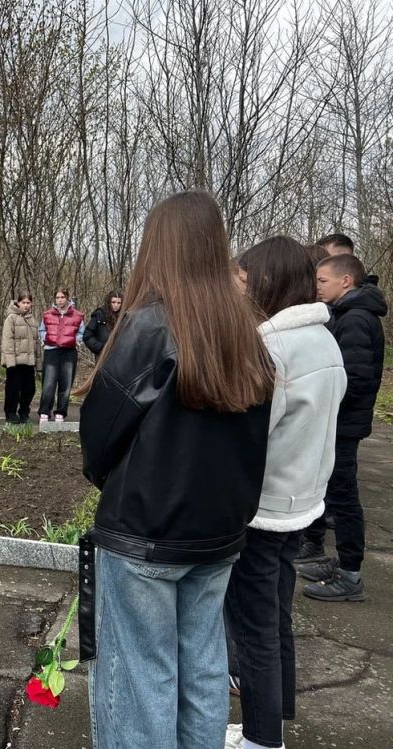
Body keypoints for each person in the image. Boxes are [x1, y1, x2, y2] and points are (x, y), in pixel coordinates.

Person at [78, 191, 275, 748]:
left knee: (140, 675)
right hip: (217, 533)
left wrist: (114, 484)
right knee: (203, 668)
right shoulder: (248, 335)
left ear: (157, 247)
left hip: (144, 532)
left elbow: (100, 434)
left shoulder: (148, 325)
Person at [225, 237, 346, 749]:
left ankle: (260, 737)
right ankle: (277, 715)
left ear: (266, 283)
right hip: (300, 503)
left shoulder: (271, 349)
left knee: (253, 629)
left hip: (263, 510)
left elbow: (247, 438)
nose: (238, 289)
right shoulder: (323, 341)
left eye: (244, 280)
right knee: (275, 618)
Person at [296, 253, 386, 601]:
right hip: (339, 422)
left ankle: (350, 574)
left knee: (344, 498)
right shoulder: (347, 315)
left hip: (342, 426)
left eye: (322, 281)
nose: (317, 287)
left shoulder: (356, 320)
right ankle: (339, 560)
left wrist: (322, 403)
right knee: (333, 492)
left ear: (345, 281)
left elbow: (354, 379)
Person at [37, 287, 84, 423]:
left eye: (62, 297)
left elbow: (81, 332)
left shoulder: (77, 315)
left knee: (66, 382)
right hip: (52, 351)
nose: (60, 300)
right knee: (49, 382)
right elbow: (41, 329)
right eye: (57, 297)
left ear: (67, 298)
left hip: (69, 352)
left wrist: (76, 340)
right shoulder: (47, 314)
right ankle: (44, 411)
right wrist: (46, 338)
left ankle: (61, 412)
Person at [0, 294, 38, 424]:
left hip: (28, 361)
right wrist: (10, 361)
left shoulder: (32, 319)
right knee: (13, 389)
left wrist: (38, 363)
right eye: (23, 302)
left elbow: (36, 342)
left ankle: (24, 412)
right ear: (18, 303)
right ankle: (10, 413)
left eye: (28, 302)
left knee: (30, 389)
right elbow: (7, 341)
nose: (26, 305)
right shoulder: (11, 318)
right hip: (15, 361)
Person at [82, 290, 122, 360]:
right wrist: (101, 348)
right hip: (103, 357)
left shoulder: (124, 316)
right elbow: (87, 336)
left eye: (119, 303)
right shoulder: (100, 314)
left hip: (120, 356)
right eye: (113, 302)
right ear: (109, 302)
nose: (116, 305)